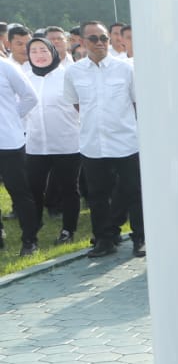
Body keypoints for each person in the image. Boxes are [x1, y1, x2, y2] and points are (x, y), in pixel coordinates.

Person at [63, 21, 143, 258]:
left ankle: (140, 238)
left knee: (133, 191)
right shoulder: (74, 72)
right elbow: (77, 103)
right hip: (93, 144)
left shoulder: (125, 69)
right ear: (83, 42)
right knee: (97, 196)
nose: (100, 43)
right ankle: (105, 239)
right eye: (94, 39)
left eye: (104, 38)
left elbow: (137, 102)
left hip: (126, 141)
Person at [23, 36, 82, 245]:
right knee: (34, 188)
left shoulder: (68, 75)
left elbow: (81, 106)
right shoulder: (25, 77)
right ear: (28, 55)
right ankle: (32, 230)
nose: (39, 55)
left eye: (43, 50)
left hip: (67, 143)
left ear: (53, 52)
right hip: (36, 145)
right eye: (34, 51)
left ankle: (68, 229)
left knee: (68, 188)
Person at [0, 46, 39, 254]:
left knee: (19, 192)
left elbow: (30, 97)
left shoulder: (6, 67)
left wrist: (13, 119)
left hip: (9, 142)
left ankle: (30, 240)